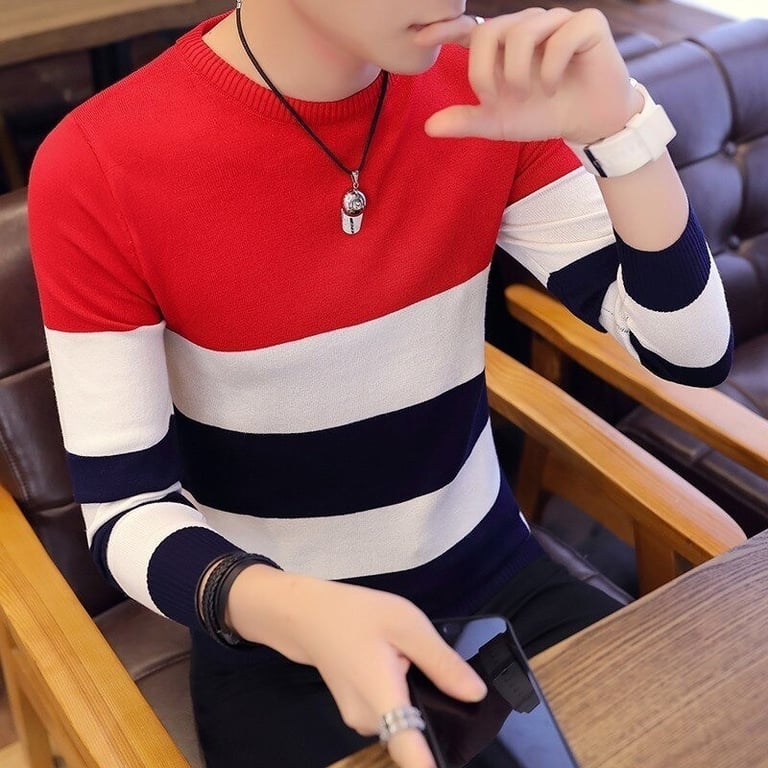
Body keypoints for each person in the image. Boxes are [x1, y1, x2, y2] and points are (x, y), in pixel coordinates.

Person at [27, 2, 733, 768]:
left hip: (501, 584)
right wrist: (292, 609)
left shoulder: (483, 89)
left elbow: (689, 352)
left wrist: (621, 133)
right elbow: (126, 509)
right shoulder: (100, 161)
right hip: (282, 644)